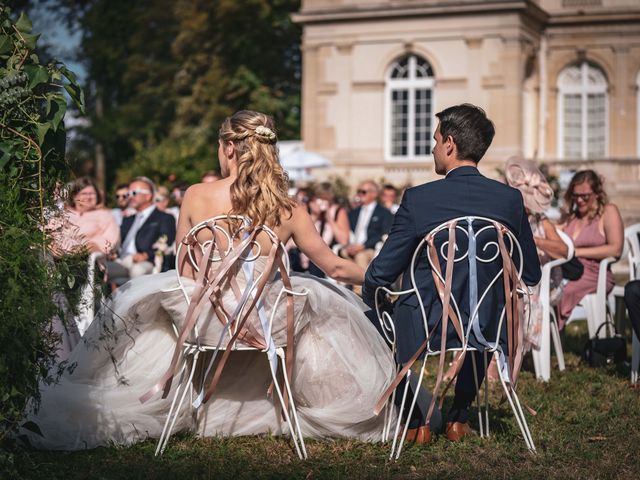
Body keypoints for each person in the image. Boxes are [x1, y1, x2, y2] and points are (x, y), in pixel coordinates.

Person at [22, 110, 395, 450]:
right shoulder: (288, 207)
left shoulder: (196, 196)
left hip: (205, 325)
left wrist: (216, 293)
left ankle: (178, 400)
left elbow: (185, 270)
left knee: (155, 304)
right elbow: (335, 267)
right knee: (317, 301)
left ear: (230, 148)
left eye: (220, 145)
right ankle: (312, 401)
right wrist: (383, 278)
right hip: (266, 325)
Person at [363, 104, 541, 443]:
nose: (432, 149)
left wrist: (373, 296)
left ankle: (417, 421)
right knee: (482, 311)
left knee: (370, 317)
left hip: (428, 325)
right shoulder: (510, 200)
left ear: (449, 143)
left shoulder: (419, 199)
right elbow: (530, 273)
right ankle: (458, 417)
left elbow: (382, 272)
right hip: (487, 325)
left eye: (433, 141)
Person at [504, 157, 568, 350]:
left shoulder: (541, 220)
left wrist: (530, 241)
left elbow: (563, 251)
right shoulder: (508, 217)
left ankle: (502, 356)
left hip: (540, 281)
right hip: (512, 276)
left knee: (516, 294)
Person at [557, 170, 624, 328]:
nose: (579, 200)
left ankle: (547, 339)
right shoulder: (572, 217)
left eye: (585, 196)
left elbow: (616, 250)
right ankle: (541, 340)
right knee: (542, 289)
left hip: (596, 273)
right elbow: (552, 233)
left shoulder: (608, 212)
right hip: (569, 270)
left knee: (561, 293)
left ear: (597, 193)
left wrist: (576, 252)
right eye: (575, 195)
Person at [107, 177, 177, 285]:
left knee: (137, 270)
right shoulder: (127, 219)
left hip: (147, 262)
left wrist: (146, 255)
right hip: (122, 261)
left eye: (134, 193)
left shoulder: (164, 218)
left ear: (148, 196)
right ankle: (94, 302)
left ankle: (134, 302)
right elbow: (118, 241)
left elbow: (165, 242)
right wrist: (112, 252)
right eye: (128, 194)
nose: (129, 197)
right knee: (97, 269)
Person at [49, 176, 120, 256]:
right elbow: (49, 232)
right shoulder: (62, 213)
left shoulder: (105, 216)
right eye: (84, 193)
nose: (88, 197)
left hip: (89, 260)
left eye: (92, 194)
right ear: (74, 196)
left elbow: (110, 241)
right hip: (55, 258)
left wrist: (89, 246)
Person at [301, 182, 351, 278]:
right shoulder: (308, 208)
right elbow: (301, 231)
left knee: (317, 260)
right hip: (306, 249)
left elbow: (344, 240)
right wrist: (315, 216)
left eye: (325, 199)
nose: (322, 203)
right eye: (319, 199)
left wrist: (329, 219)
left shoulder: (338, 211)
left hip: (327, 251)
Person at [342, 180, 393, 271]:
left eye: (363, 192)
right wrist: (349, 246)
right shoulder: (354, 212)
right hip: (351, 247)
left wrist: (363, 246)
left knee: (361, 257)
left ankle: (361, 285)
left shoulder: (384, 213)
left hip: (370, 248)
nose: (360, 194)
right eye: (359, 191)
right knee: (336, 255)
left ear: (374, 194)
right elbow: (347, 230)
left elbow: (383, 234)